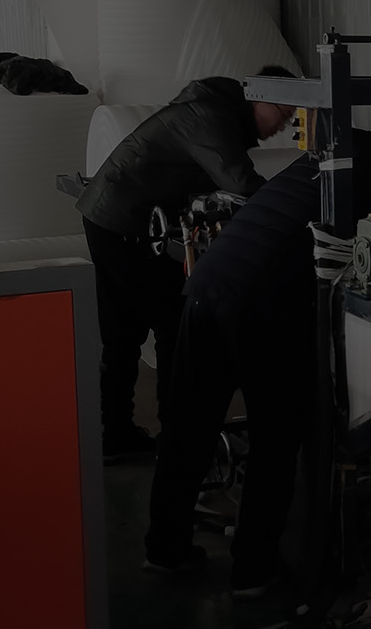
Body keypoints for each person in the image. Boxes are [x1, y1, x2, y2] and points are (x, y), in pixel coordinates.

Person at [143, 119, 371, 592]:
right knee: (275, 440)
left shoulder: (326, 155)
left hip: (209, 284)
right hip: (261, 307)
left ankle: (164, 549)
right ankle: (253, 572)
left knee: (189, 426)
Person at [77, 65, 298, 460]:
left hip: (117, 216)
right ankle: (169, 438)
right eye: (282, 114)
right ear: (259, 97)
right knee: (164, 327)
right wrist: (298, 207)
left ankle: (126, 435)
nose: (283, 126)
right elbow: (240, 183)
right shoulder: (210, 117)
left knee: (131, 333)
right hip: (122, 222)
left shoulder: (216, 110)